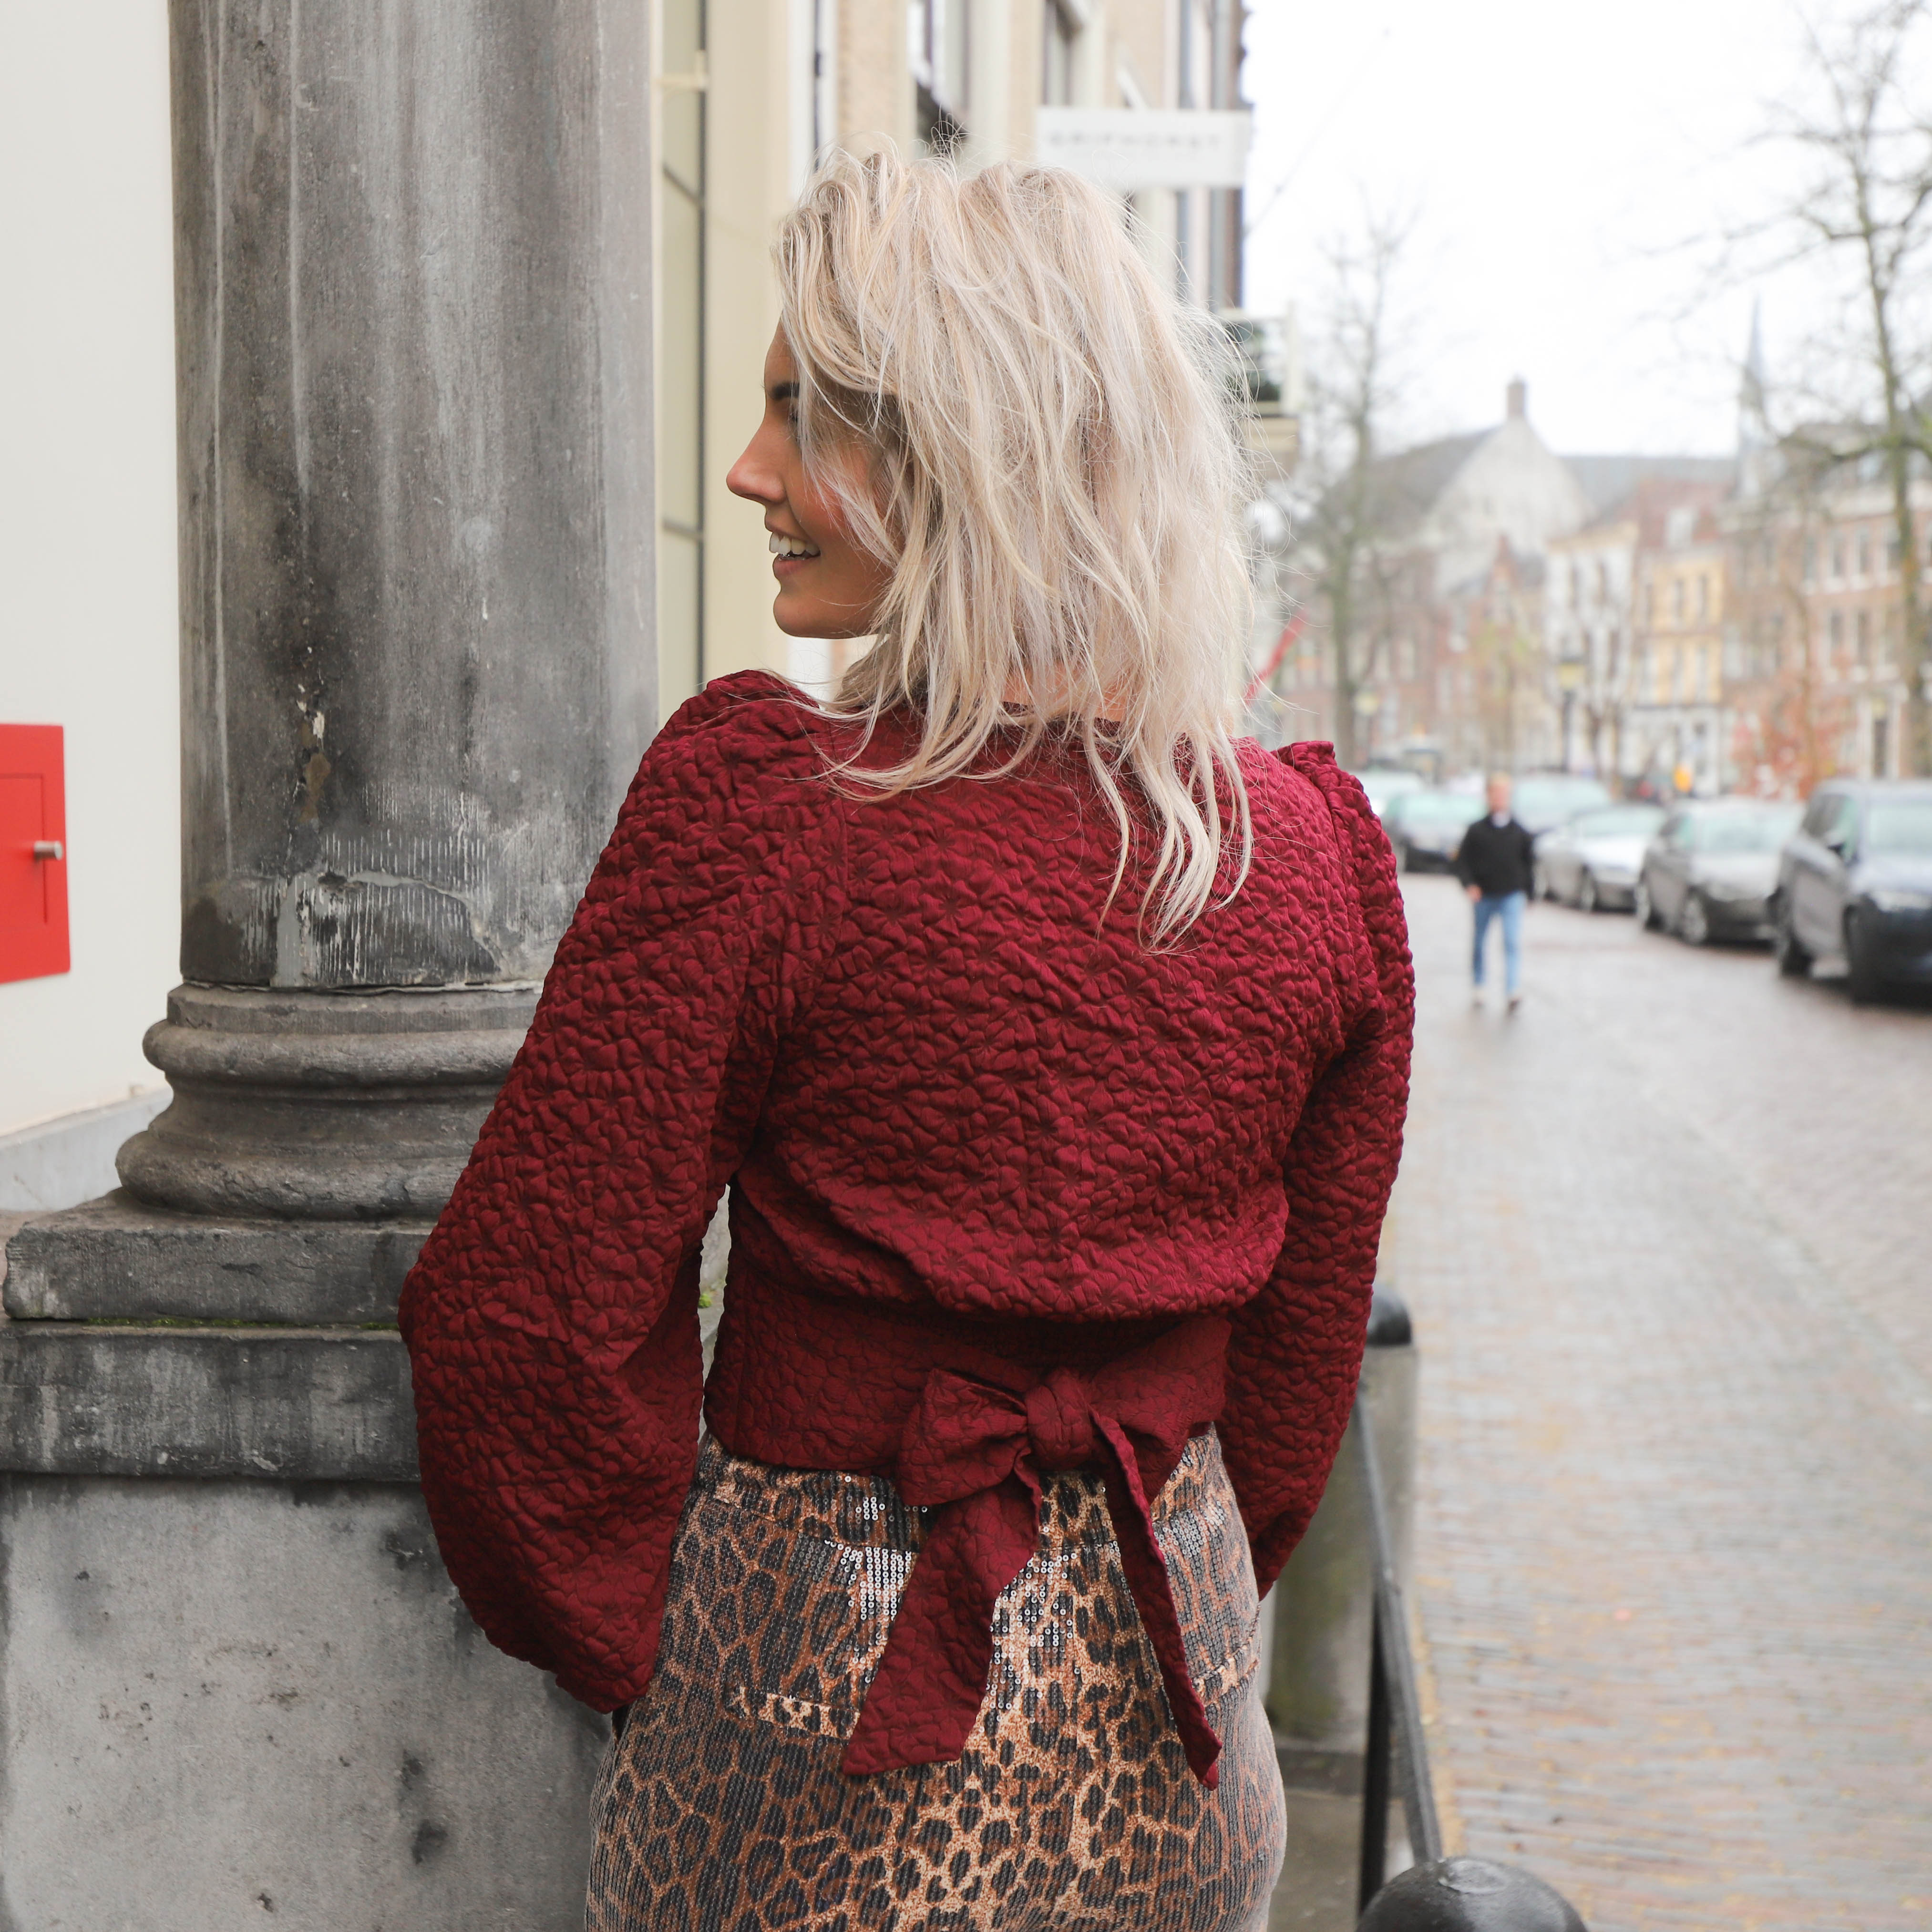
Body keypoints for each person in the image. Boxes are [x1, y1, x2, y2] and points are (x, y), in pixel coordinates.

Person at [400, 148, 1413, 1932]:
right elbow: (1297, 1374)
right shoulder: (1309, 859)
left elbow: (526, 1316)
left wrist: (631, 1639)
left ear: (958, 450)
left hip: (811, 1726)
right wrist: (1184, 1568)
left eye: (803, 414)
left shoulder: (770, 818)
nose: (748, 470)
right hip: (1178, 1719)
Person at [1454, 771, 1534, 1011]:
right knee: (1480, 942)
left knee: (1511, 942)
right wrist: (1470, 885)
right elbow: (1462, 862)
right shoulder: (1476, 831)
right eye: (1496, 793)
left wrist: (1529, 893)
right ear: (1488, 796)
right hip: (1484, 896)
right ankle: (1479, 984)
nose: (1500, 798)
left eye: (1504, 793)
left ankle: (1512, 989)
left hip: (1511, 895)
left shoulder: (1520, 832)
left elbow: (1528, 864)